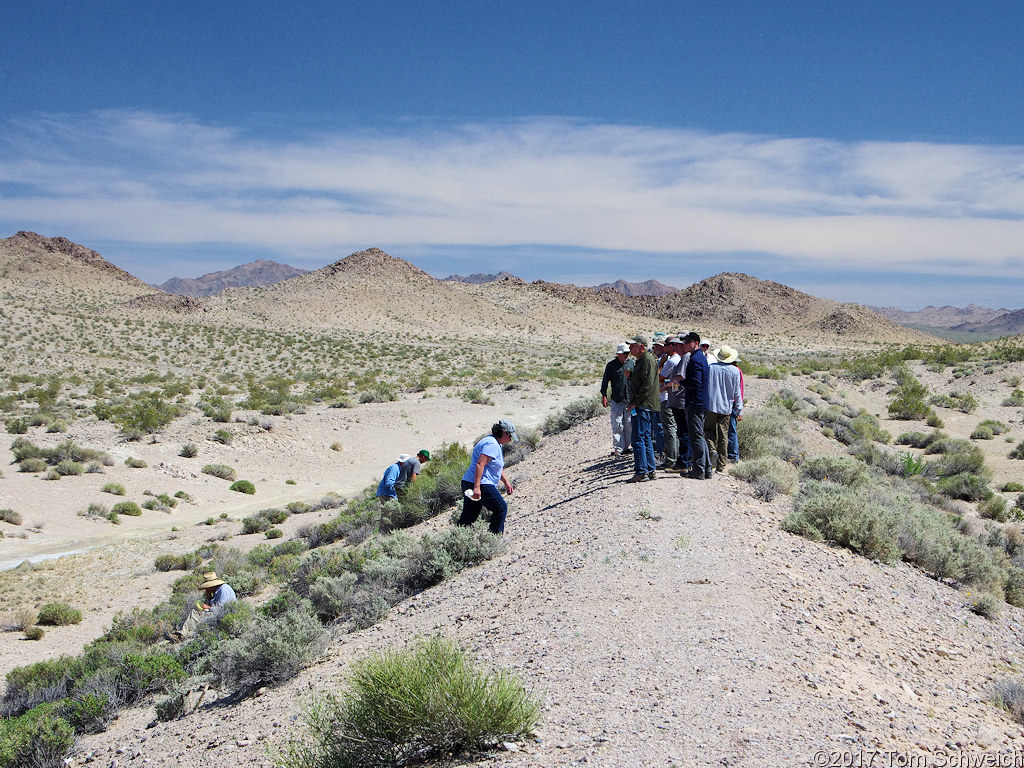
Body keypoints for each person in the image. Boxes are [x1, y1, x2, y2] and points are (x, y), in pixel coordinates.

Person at [458, 420, 517, 534]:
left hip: (469, 481)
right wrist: (477, 487)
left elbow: (495, 467)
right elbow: (480, 464)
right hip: (482, 483)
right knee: (500, 508)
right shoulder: (492, 445)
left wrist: (506, 482)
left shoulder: (490, 441)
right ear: (503, 432)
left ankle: (456, 542)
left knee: (469, 516)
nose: (510, 439)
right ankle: (494, 539)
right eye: (510, 436)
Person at [626, 335, 659, 482]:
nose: (630, 348)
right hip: (646, 405)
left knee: (638, 438)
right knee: (645, 437)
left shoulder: (647, 360)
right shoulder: (643, 360)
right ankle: (650, 470)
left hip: (644, 405)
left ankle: (641, 471)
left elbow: (647, 385)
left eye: (633, 345)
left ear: (642, 347)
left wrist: (635, 402)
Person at [706, 345, 744, 474]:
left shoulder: (710, 368)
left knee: (708, 431)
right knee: (724, 436)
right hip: (726, 408)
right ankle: (721, 465)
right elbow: (737, 393)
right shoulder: (734, 371)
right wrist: (739, 410)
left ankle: (712, 450)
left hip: (711, 406)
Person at [681, 331, 712, 480]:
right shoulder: (699, 357)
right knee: (699, 436)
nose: (685, 344)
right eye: (685, 342)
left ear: (696, 343)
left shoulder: (696, 359)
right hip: (700, 402)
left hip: (696, 402)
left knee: (696, 436)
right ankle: (706, 469)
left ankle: (699, 470)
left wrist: (681, 383)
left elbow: (695, 382)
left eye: (688, 342)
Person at [176, 571, 237, 639]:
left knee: (195, 614)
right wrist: (208, 598)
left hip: (225, 617)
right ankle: (185, 634)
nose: (206, 589)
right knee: (196, 614)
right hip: (219, 615)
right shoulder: (217, 591)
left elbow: (221, 610)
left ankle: (182, 635)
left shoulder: (223, 590)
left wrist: (208, 607)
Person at [601, 342, 632, 455]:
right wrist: (604, 395)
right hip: (617, 400)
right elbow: (605, 381)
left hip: (629, 400)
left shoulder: (631, 364)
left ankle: (626, 447)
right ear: (619, 354)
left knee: (629, 424)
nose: (626, 355)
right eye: (624, 353)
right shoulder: (611, 366)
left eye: (627, 353)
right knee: (617, 424)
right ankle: (618, 448)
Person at [658, 336, 681, 469]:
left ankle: (671, 459)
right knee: (674, 428)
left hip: (666, 398)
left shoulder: (671, 361)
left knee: (669, 428)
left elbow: (660, 376)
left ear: (672, 346)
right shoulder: (679, 360)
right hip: (674, 397)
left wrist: (661, 364)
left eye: (667, 345)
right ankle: (675, 456)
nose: (664, 348)